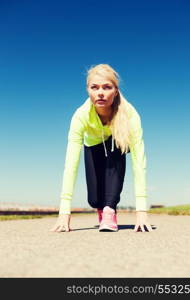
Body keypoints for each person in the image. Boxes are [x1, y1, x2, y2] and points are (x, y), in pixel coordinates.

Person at [50, 64, 152, 233]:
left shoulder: (130, 114)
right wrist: (64, 213)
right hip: (92, 144)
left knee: (117, 151)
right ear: (88, 90)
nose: (100, 93)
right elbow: (70, 165)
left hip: (117, 141)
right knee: (94, 199)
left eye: (107, 87)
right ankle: (101, 208)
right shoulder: (80, 115)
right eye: (94, 87)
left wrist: (141, 211)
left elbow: (139, 162)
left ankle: (109, 211)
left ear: (116, 91)